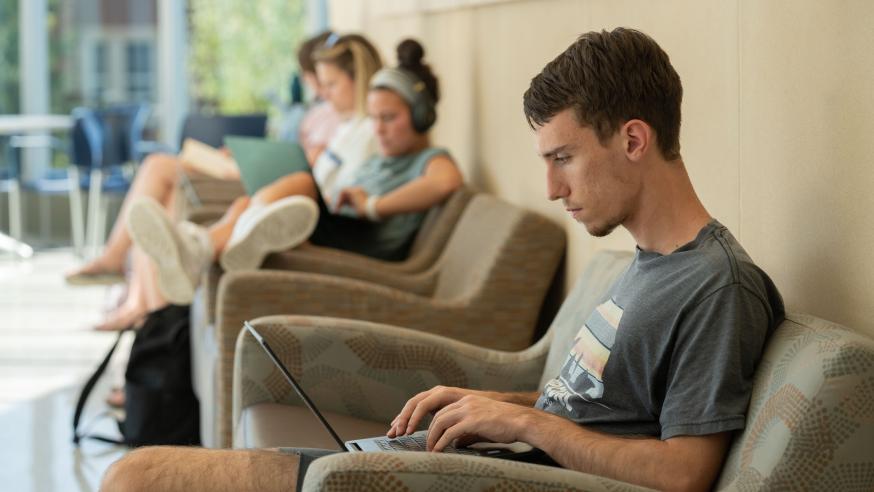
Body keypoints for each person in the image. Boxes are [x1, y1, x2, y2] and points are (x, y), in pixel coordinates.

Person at [100, 28, 784, 492]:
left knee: (134, 479)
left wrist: (519, 421)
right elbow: (589, 411)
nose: (551, 188)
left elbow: (685, 471)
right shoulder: (638, 263)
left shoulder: (716, 285)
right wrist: (488, 401)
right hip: (446, 463)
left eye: (563, 159)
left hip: (464, 481)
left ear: (634, 139)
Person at [77, 31, 345, 331]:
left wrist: (367, 200)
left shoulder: (342, 124)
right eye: (322, 81)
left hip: (291, 192)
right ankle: (150, 306)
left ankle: (144, 285)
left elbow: (330, 176)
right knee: (166, 209)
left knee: (161, 171)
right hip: (269, 184)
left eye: (331, 82)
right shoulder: (319, 115)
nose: (324, 89)